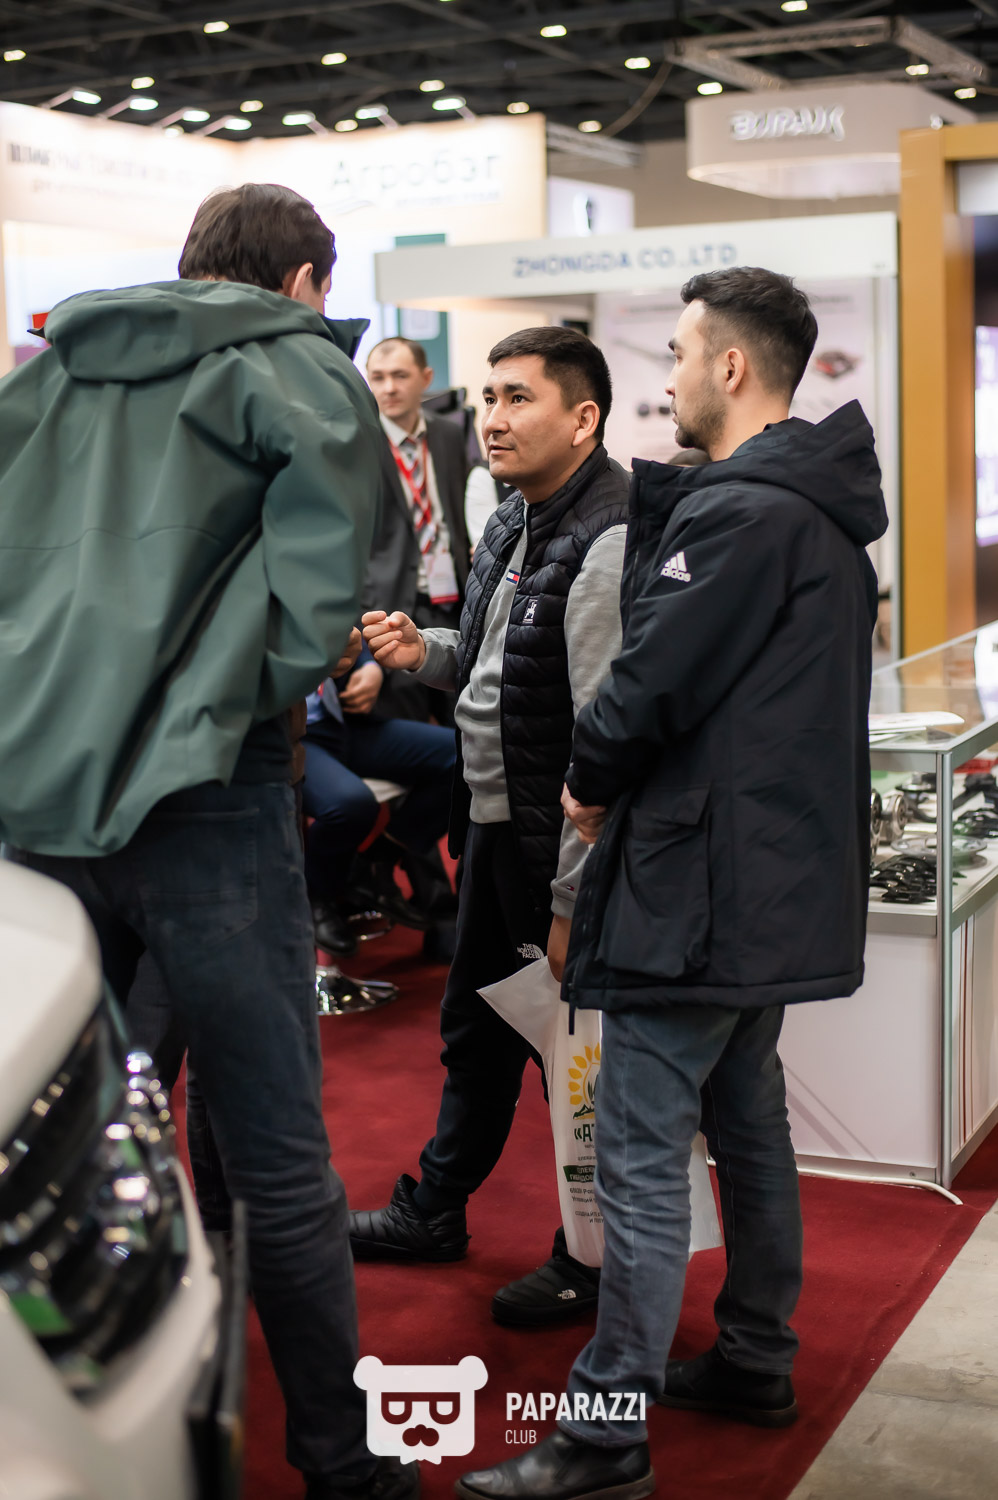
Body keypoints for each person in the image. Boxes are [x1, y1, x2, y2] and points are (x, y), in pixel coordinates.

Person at [0, 184, 416, 1500]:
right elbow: (319, 600)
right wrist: (222, 703)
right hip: (208, 794)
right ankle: (338, 1463)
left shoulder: (50, 371)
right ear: (301, 281)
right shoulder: (299, 367)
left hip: (38, 799)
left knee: (72, 1143)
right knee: (278, 1155)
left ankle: (114, 1433)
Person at [457, 267, 888, 1499]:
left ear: (730, 367)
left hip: (696, 888)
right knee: (745, 1128)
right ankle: (752, 1356)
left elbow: (642, 684)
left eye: (681, 355)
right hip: (758, 883)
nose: (672, 378)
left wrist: (588, 779)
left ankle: (603, 1434)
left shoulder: (743, 513)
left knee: (642, 1154)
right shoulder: (813, 511)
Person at [352, 326, 630, 1325]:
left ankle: (596, 1259)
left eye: (519, 398)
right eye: (490, 398)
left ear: (583, 418)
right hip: (491, 823)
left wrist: (569, 899)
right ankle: (435, 1209)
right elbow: (491, 667)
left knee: (577, 1061)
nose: (495, 420)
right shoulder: (517, 516)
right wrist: (418, 652)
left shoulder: (605, 537)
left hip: (549, 844)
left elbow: (601, 743)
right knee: (475, 1027)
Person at [303, 641, 456, 955]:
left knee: (466, 754)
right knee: (350, 805)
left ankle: (377, 861)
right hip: (294, 734)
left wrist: (369, 666)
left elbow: (347, 633)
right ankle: (317, 897)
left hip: (342, 722)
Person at [364, 336, 472, 721]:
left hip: (453, 603)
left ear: (426, 378)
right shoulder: (357, 442)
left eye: (400, 375)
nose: (388, 388)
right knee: (411, 729)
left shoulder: (448, 434)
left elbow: (456, 510)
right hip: (392, 608)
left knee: (460, 723)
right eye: (378, 377)